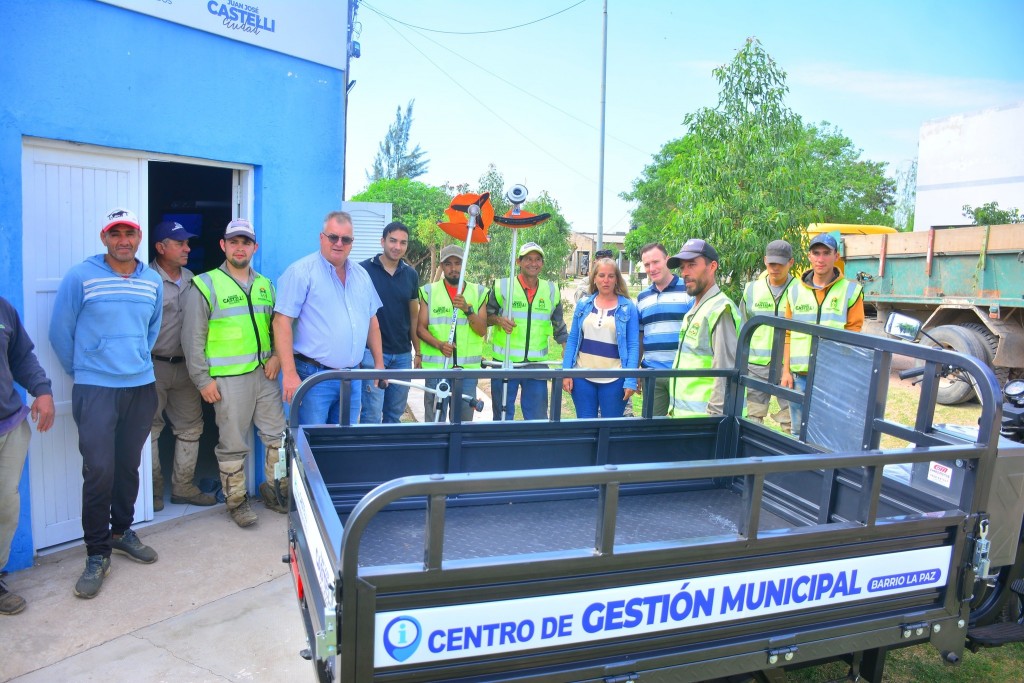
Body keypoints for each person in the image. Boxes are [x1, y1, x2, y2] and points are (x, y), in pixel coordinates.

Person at [49, 207, 162, 599]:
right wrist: (86, 368)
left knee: (128, 467)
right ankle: (96, 553)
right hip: (96, 388)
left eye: (130, 233)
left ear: (138, 238)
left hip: (141, 386)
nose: (123, 240)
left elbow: (152, 329)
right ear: (104, 238)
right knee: (99, 470)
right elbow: (60, 332)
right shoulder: (81, 276)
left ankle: (120, 531)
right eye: (116, 234)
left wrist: (134, 360)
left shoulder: (151, 280)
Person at [182, 218, 287, 528]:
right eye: (234, 242)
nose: (240, 247)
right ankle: (237, 502)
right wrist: (202, 380)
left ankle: (277, 491)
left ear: (254, 247)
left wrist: (279, 356)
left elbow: (278, 328)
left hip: (264, 376)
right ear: (223, 246)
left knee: (277, 438)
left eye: (246, 242)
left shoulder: (266, 285)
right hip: (228, 381)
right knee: (232, 443)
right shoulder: (206, 284)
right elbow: (192, 338)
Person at [274, 211, 384, 426]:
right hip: (314, 378)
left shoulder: (361, 275)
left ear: (352, 242)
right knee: (311, 447)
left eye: (346, 239)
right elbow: (281, 322)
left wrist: (379, 364)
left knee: (343, 446)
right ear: (322, 237)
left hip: (352, 379)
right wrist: (288, 374)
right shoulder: (301, 272)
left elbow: (372, 322)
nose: (339, 243)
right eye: (333, 237)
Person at [148, 220, 214, 511]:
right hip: (153, 367)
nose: (187, 248)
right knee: (149, 429)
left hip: (187, 367)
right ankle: (151, 491)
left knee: (190, 428)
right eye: (180, 243)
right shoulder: (145, 279)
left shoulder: (191, 278)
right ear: (161, 247)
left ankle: (183, 487)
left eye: (188, 243)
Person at [0, 297, 54, 615]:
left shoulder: (3, 309)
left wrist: (42, 390)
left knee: (5, 507)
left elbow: (21, 357)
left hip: (8, 427)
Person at [781, 233, 864, 435]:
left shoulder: (851, 291)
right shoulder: (794, 291)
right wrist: (785, 371)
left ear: (836, 256)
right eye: (816, 253)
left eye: (826, 253)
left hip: (833, 377)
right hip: (800, 375)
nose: (821, 258)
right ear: (809, 256)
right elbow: (788, 334)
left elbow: (854, 336)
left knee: (827, 432)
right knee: (797, 432)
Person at [487, 242, 568, 421]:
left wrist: (565, 348)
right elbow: (486, 316)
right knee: (502, 416)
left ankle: (534, 448)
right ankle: (502, 447)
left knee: (537, 417)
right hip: (505, 362)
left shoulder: (551, 290)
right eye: (528, 259)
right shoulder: (503, 286)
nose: (533, 263)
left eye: (538, 259)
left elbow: (559, 326)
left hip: (537, 364)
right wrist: (499, 320)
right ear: (519, 262)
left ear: (542, 263)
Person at [666, 238, 741, 417]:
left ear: (712, 266)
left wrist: (715, 421)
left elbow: (725, 371)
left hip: (705, 422)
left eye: (692, 265)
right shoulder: (697, 308)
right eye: (682, 267)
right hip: (685, 418)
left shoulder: (720, 309)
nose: (685, 273)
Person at [417, 245, 488, 422]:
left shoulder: (478, 292)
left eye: (458, 263)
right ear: (441, 266)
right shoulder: (429, 291)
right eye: (448, 264)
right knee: (435, 424)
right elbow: (420, 328)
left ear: (464, 264)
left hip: (467, 372)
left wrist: (468, 310)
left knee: (462, 425)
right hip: (437, 370)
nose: (454, 268)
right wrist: (439, 344)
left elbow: (481, 330)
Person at [562, 258, 639, 418]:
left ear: (617, 279)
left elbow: (633, 345)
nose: (606, 280)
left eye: (611, 276)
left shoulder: (627, 307)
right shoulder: (583, 305)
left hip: (615, 379)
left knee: (609, 429)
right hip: (582, 377)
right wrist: (566, 372)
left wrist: (630, 379)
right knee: (585, 428)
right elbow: (573, 339)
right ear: (594, 278)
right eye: (602, 275)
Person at [359, 222, 420, 424]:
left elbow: (413, 316)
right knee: (372, 414)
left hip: (402, 355)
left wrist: (417, 352)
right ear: (382, 241)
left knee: (395, 414)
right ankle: (371, 455)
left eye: (403, 243)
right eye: (392, 241)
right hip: (372, 354)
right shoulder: (363, 270)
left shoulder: (411, 274)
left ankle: (390, 455)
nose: (397, 247)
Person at [739, 240, 796, 430]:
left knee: (792, 421)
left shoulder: (800, 290)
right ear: (765, 261)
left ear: (791, 262)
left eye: (780, 263)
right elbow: (742, 325)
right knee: (752, 418)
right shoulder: (751, 289)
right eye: (772, 263)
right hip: (756, 365)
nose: (775, 268)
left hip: (788, 366)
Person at [636, 243, 694, 416]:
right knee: (652, 430)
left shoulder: (689, 290)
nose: (652, 268)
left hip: (683, 374)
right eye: (647, 264)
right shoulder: (642, 297)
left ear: (667, 260)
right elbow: (640, 337)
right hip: (652, 374)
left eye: (656, 262)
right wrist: (636, 370)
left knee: (682, 428)